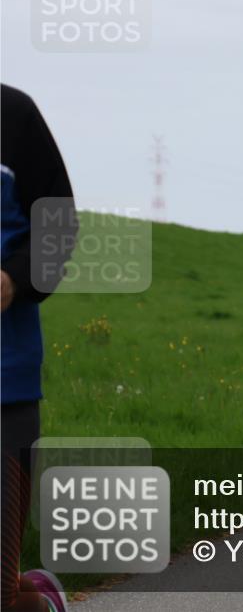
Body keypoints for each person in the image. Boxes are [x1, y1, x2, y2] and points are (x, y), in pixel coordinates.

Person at [2, 84, 76, 612]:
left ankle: (33, 600)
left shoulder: (12, 114)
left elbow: (57, 223)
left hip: (5, 385)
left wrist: (14, 279)